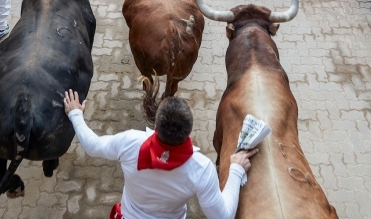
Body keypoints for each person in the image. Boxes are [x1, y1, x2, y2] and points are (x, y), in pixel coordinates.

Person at [63, 90, 259, 219]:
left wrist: (75, 114)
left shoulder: (130, 142)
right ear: (188, 133)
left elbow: (92, 146)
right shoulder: (201, 168)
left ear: (155, 126)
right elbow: (222, 216)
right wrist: (236, 169)